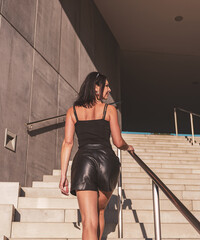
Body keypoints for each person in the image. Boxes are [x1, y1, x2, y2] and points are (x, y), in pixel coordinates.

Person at [59, 72, 134, 240]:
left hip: (84, 161)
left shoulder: (73, 111)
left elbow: (68, 143)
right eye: (106, 86)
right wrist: (127, 147)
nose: (109, 89)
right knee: (100, 211)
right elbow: (117, 141)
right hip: (107, 162)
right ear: (95, 87)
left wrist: (63, 174)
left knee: (88, 222)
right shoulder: (109, 110)